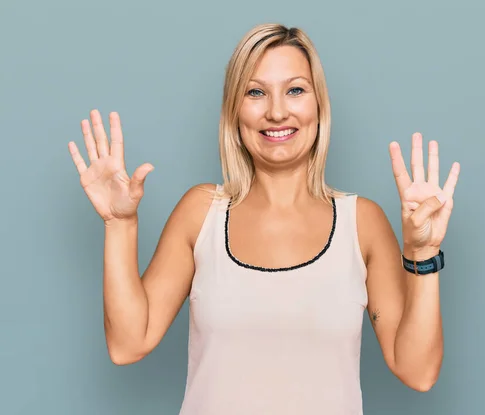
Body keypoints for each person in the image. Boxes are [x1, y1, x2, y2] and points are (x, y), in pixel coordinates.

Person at [68, 23, 460, 415]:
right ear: (234, 112)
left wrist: (423, 253)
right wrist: (119, 225)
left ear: (319, 106)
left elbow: (418, 371)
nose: (276, 111)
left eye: (295, 90)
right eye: (255, 92)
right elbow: (127, 344)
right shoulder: (200, 212)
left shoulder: (363, 223)